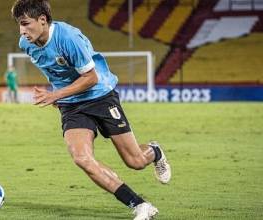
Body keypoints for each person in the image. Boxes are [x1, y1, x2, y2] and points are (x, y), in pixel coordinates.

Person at [11, 0, 171, 219]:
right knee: (81, 158)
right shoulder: (26, 44)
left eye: (25, 23)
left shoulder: (68, 38)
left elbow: (91, 78)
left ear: (42, 20)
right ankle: (140, 204)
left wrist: (55, 94)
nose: (22, 31)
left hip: (100, 95)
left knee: (135, 161)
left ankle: (155, 151)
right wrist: (60, 96)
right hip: (71, 104)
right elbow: (52, 69)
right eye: (19, 25)